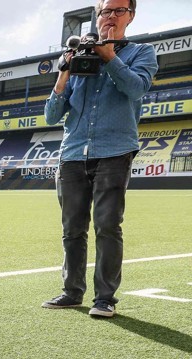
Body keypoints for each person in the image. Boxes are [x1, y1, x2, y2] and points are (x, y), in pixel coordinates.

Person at [42, 0, 157, 318]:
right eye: (106, 11)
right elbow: (52, 115)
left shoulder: (140, 53)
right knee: (72, 228)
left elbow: (136, 89)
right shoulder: (79, 54)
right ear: (97, 15)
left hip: (115, 150)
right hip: (73, 152)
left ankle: (105, 298)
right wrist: (63, 72)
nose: (111, 16)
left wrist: (110, 58)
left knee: (108, 225)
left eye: (119, 10)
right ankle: (71, 292)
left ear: (130, 16)